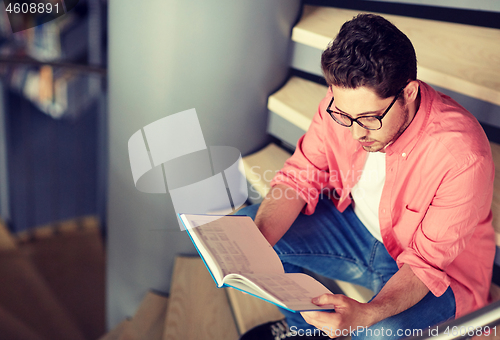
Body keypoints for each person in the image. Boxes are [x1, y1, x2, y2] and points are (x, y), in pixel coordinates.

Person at [236, 13, 495, 340]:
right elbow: (300, 176)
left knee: (379, 333)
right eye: (344, 115)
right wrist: (257, 247)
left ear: (409, 92)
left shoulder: (463, 155)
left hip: (431, 271)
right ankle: (306, 331)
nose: (356, 132)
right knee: (244, 236)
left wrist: (368, 313)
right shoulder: (339, 103)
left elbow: (426, 265)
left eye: (369, 118)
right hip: (355, 230)